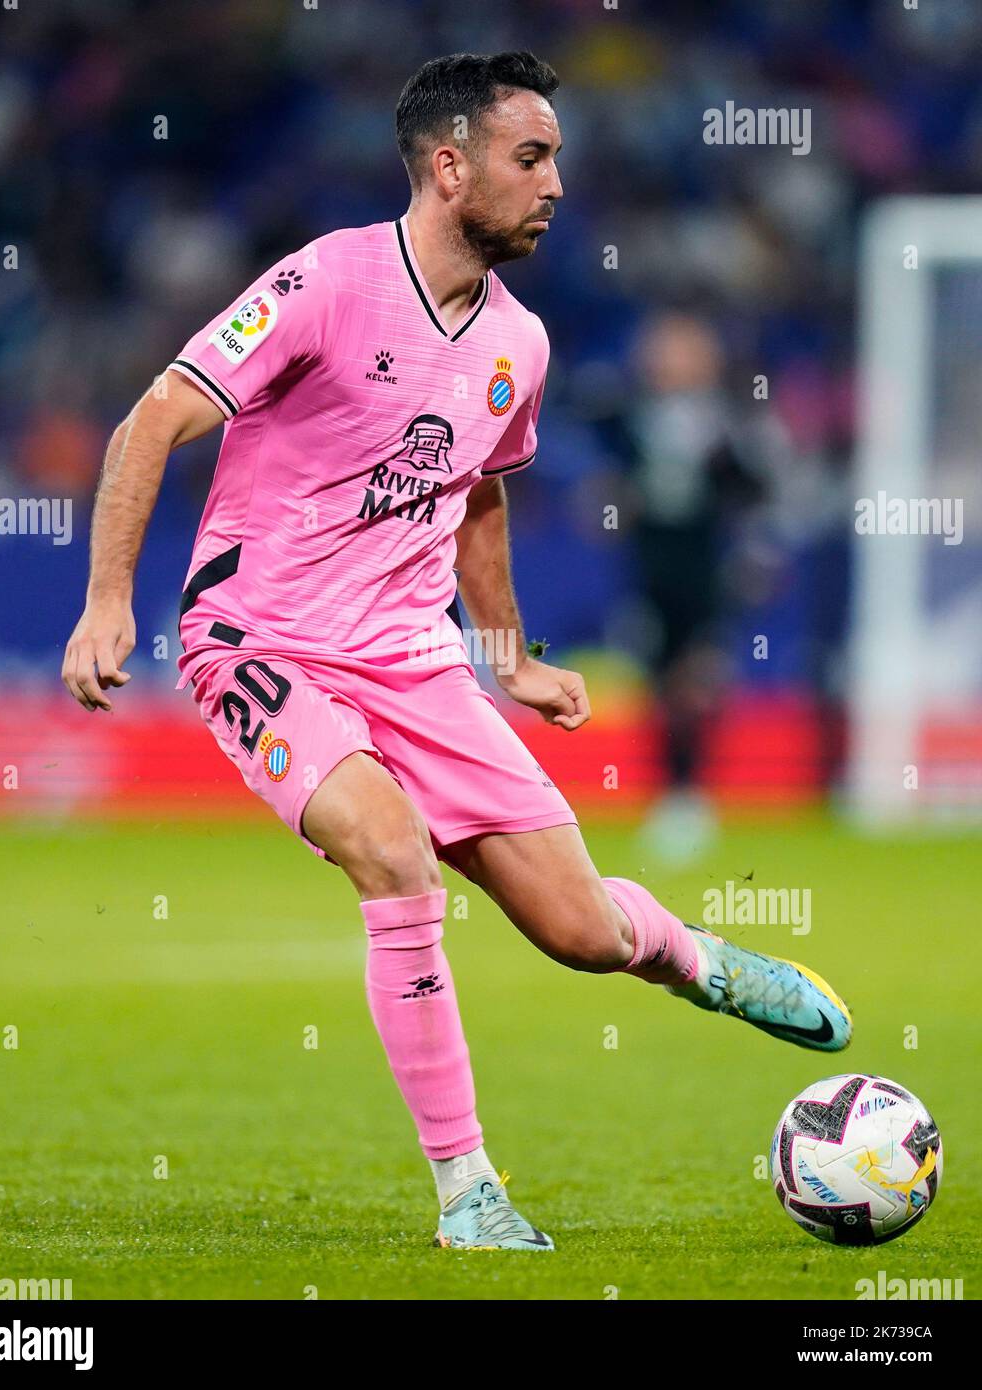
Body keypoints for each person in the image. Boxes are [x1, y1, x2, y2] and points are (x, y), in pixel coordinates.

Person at [62, 51, 851, 1253]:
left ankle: (701, 961)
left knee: (582, 932)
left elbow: (476, 496)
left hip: (415, 658)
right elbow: (153, 417)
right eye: (529, 158)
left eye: (556, 161)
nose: (555, 185)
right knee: (392, 855)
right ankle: (468, 1192)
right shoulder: (326, 281)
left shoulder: (519, 346)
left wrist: (509, 657)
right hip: (259, 638)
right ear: (448, 165)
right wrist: (106, 601)